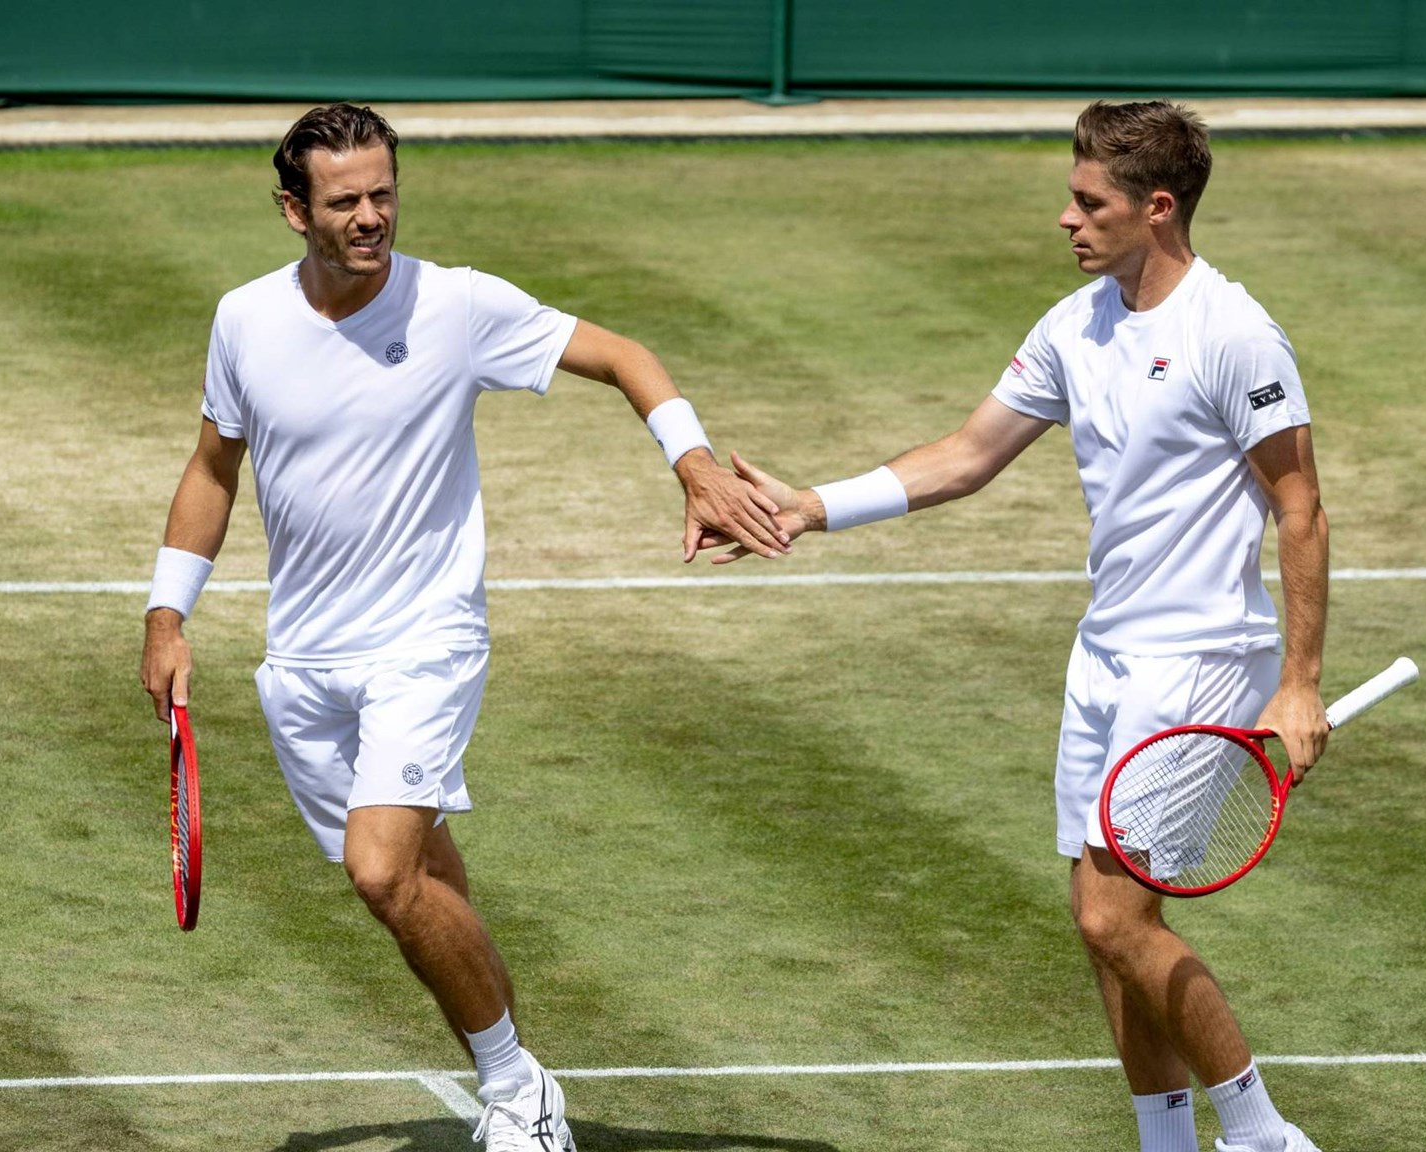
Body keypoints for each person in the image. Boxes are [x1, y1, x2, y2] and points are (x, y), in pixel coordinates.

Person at [138, 103, 786, 1151]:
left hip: (424, 643)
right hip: (301, 661)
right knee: (424, 886)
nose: (369, 217)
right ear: (290, 210)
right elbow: (214, 467)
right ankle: (517, 1079)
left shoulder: (457, 305)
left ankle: (515, 1087)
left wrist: (694, 463)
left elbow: (624, 355)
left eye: (383, 194)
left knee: (380, 870)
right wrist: (167, 613)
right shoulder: (243, 321)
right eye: (343, 201)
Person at [711, 100, 1329, 1152]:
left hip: (1200, 658)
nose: (1065, 219)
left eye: (1088, 202)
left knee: (1111, 917)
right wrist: (811, 506)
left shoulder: (1232, 333)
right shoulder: (1075, 323)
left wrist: (1299, 682)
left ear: (1158, 209)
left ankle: (1265, 1136)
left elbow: (1299, 506)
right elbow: (965, 454)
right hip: (1106, 655)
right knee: (1106, 936)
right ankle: (1167, 1144)